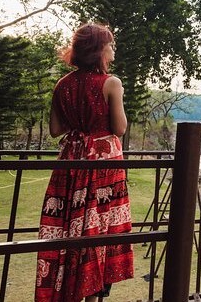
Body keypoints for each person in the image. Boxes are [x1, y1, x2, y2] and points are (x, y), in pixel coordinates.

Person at [36, 23, 133, 302]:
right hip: (103, 167)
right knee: (99, 230)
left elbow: (56, 129)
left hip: (71, 163)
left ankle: (67, 290)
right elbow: (120, 127)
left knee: (71, 228)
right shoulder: (111, 83)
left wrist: (79, 122)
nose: (113, 49)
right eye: (110, 44)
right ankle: (93, 295)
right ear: (99, 50)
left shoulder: (62, 84)